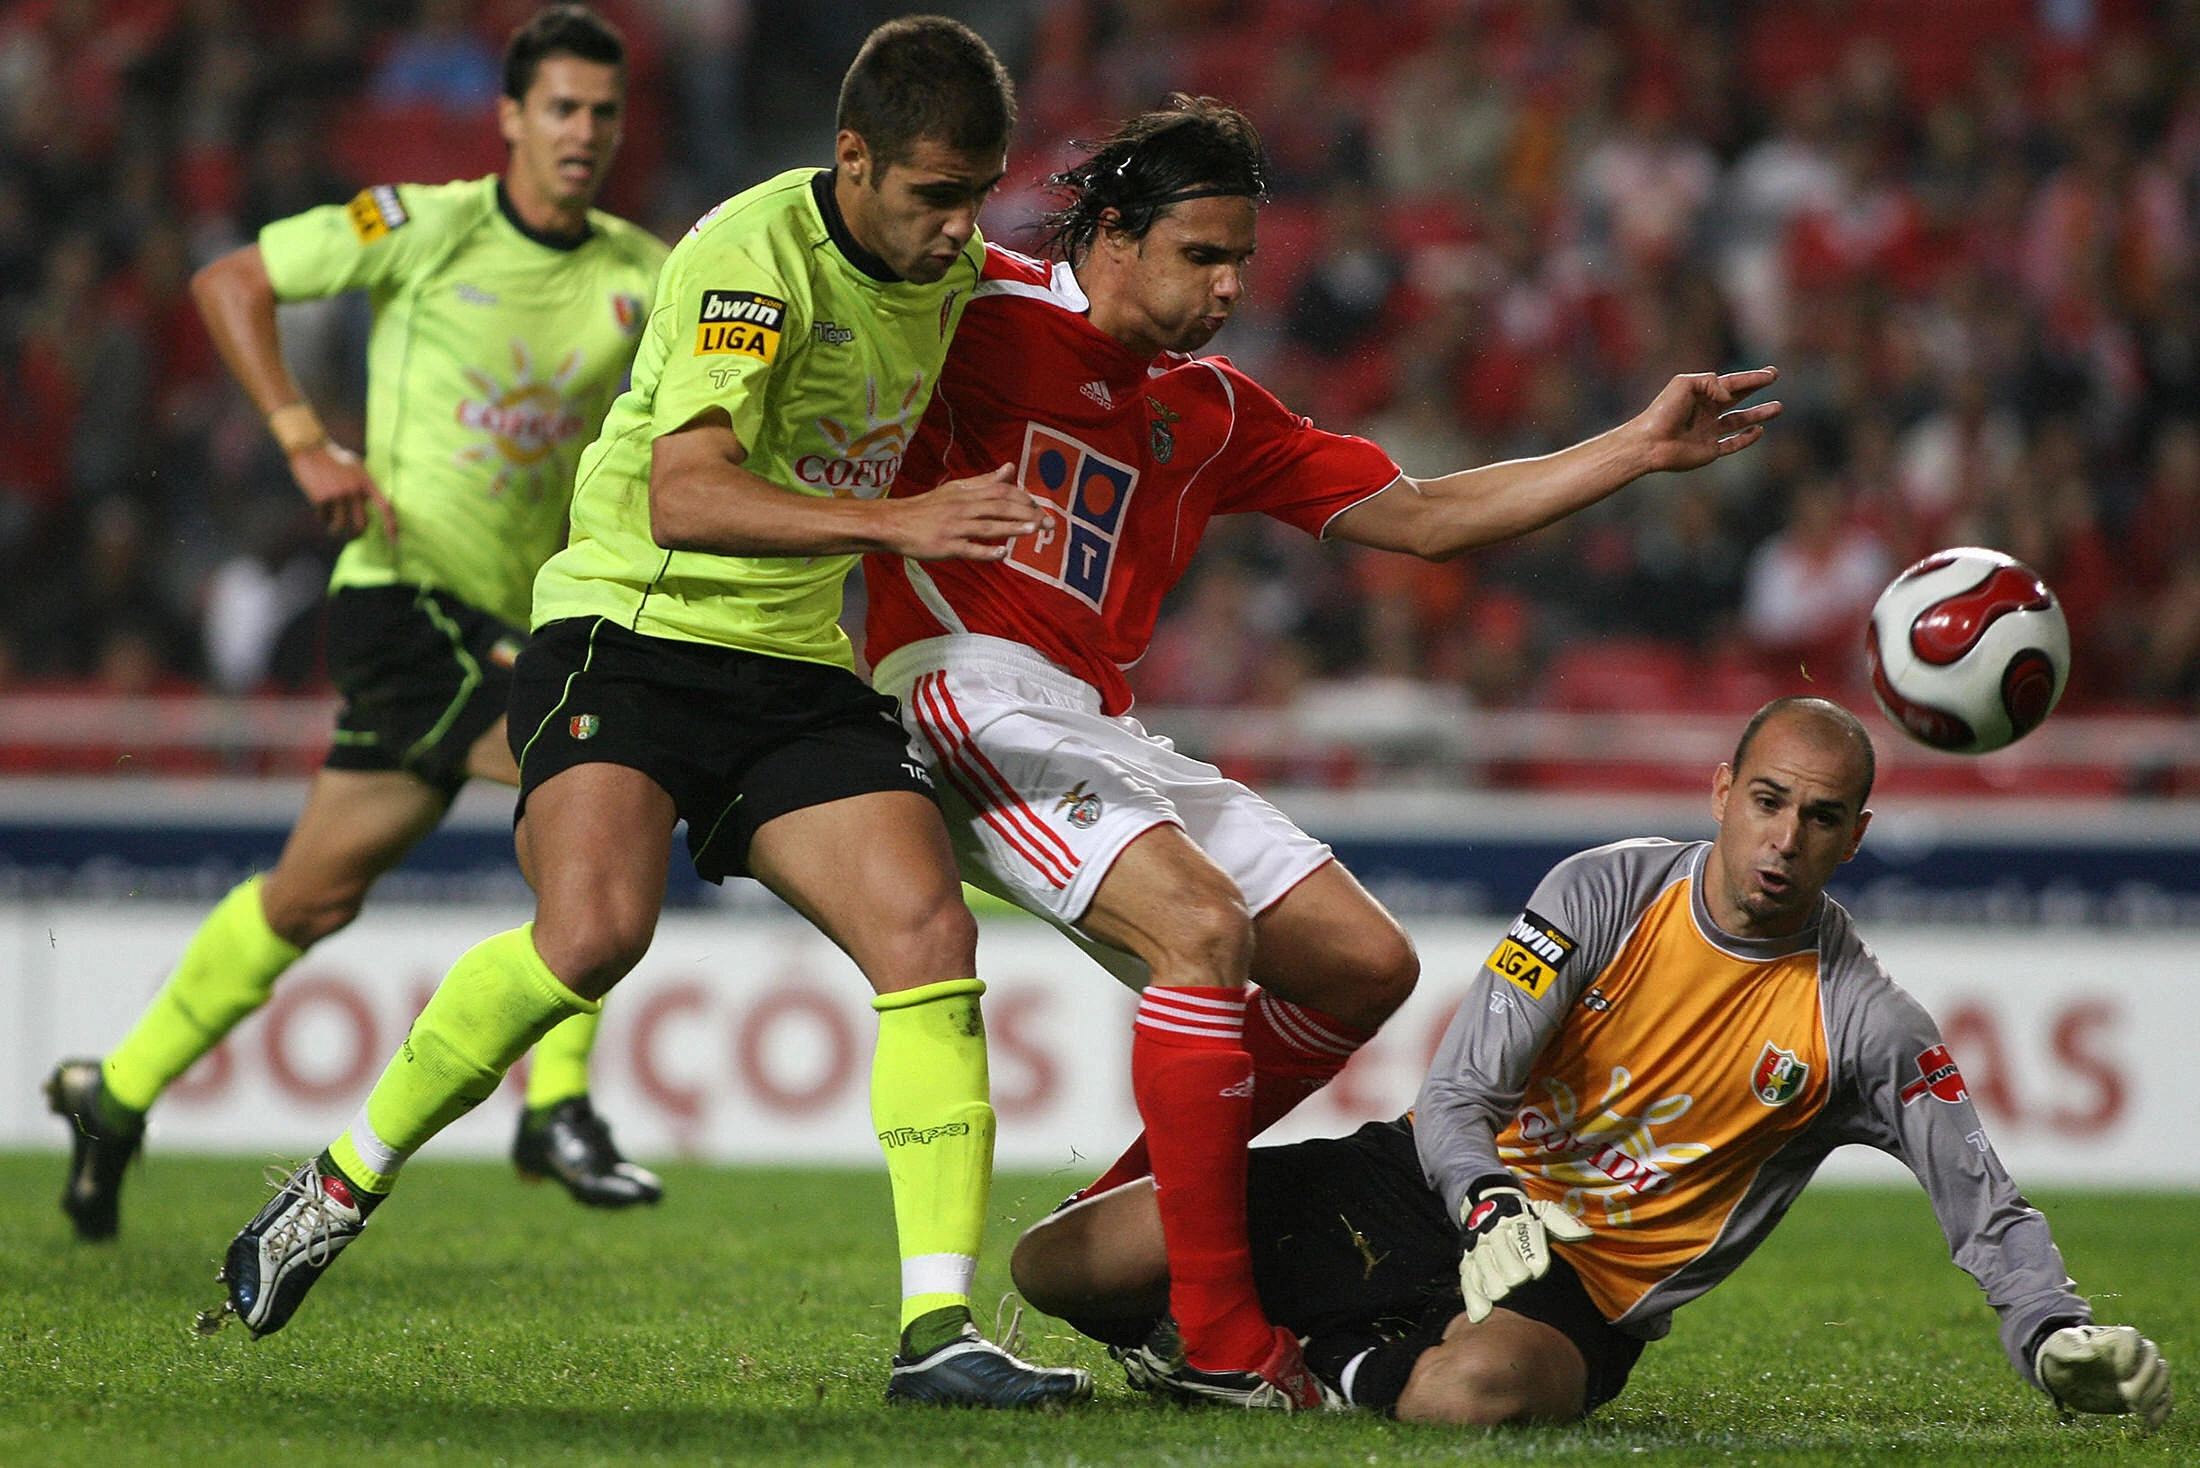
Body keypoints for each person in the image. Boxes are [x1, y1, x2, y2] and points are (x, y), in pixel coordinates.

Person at [203, 15, 1093, 1411]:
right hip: (630, 633)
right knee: (595, 934)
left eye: (977, 196)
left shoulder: (963, 261)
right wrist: (903, 517)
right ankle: (337, 1184)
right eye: (932, 197)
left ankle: (939, 1332)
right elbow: (686, 494)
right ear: (852, 161)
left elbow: (1077, 309)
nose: (956, 229)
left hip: (792, 669)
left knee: (927, 934)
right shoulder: (751, 257)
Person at [860, 96, 1782, 1410]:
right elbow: (835, 260)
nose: (1231, 287)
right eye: (1201, 256)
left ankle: (1134, 1229)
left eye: (1243, 259)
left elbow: (1423, 516)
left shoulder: (1214, 408)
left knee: (1363, 964)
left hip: (1094, 715)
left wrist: (1633, 446)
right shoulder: (972, 302)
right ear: (1112, 236)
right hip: (960, 684)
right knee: (1201, 933)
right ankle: (1225, 1339)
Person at [1008, 697, 2175, 1430]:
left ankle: (1302, 1362)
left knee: (1465, 1394)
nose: (1783, 838)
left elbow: (1983, 1201)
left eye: (1820, 818)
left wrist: (2053, 1333)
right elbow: (1462, 1090)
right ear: (1721, 793)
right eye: (1766, 800)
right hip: (1427, 1190)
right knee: (1056, 1264)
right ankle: (1336, 1352)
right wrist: (1483, 1194)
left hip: (1581, 1290)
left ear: (1852, 837)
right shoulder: (1601, 891)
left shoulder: (1864, 1024)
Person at [47, 4, 670, 1238]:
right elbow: (231, 282)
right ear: (509, 118)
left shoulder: (640, 276)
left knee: (307, 902)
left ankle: (112, 1094)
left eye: (603, 111)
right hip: (401, 599)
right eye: (560, 107)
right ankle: (561, 1104)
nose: (583, 132)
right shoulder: (424, 225)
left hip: (509, 615)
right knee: (598, 765)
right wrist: (302, 440)